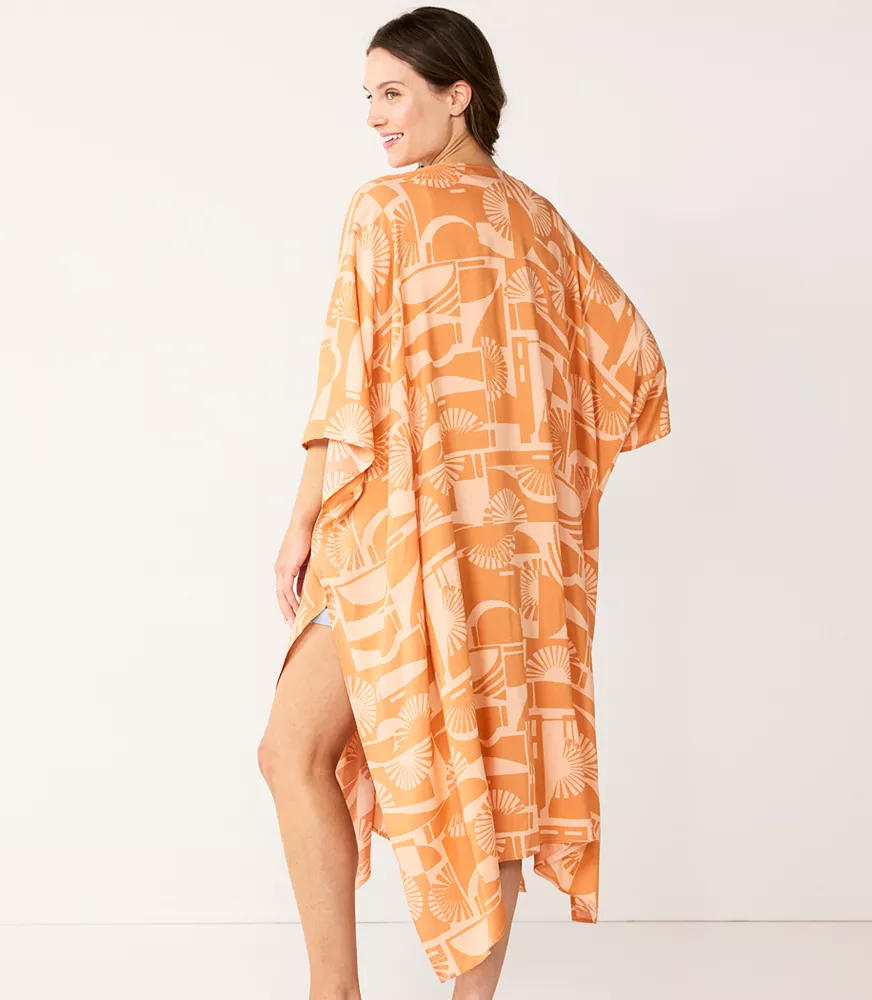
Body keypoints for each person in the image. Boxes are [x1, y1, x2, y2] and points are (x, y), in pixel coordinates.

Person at [257, 7, 671, 999]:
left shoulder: (384, 211)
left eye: (392, 93)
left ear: (459, 94)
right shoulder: (541, 222)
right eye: (368, 96)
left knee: (295, 752)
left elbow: (346, 383)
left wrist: (303, 519)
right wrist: (538, 476)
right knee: (482, 771)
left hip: (396, 532)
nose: (374, 116)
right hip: (515, 550)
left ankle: (332, 994)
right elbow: (633, 366)